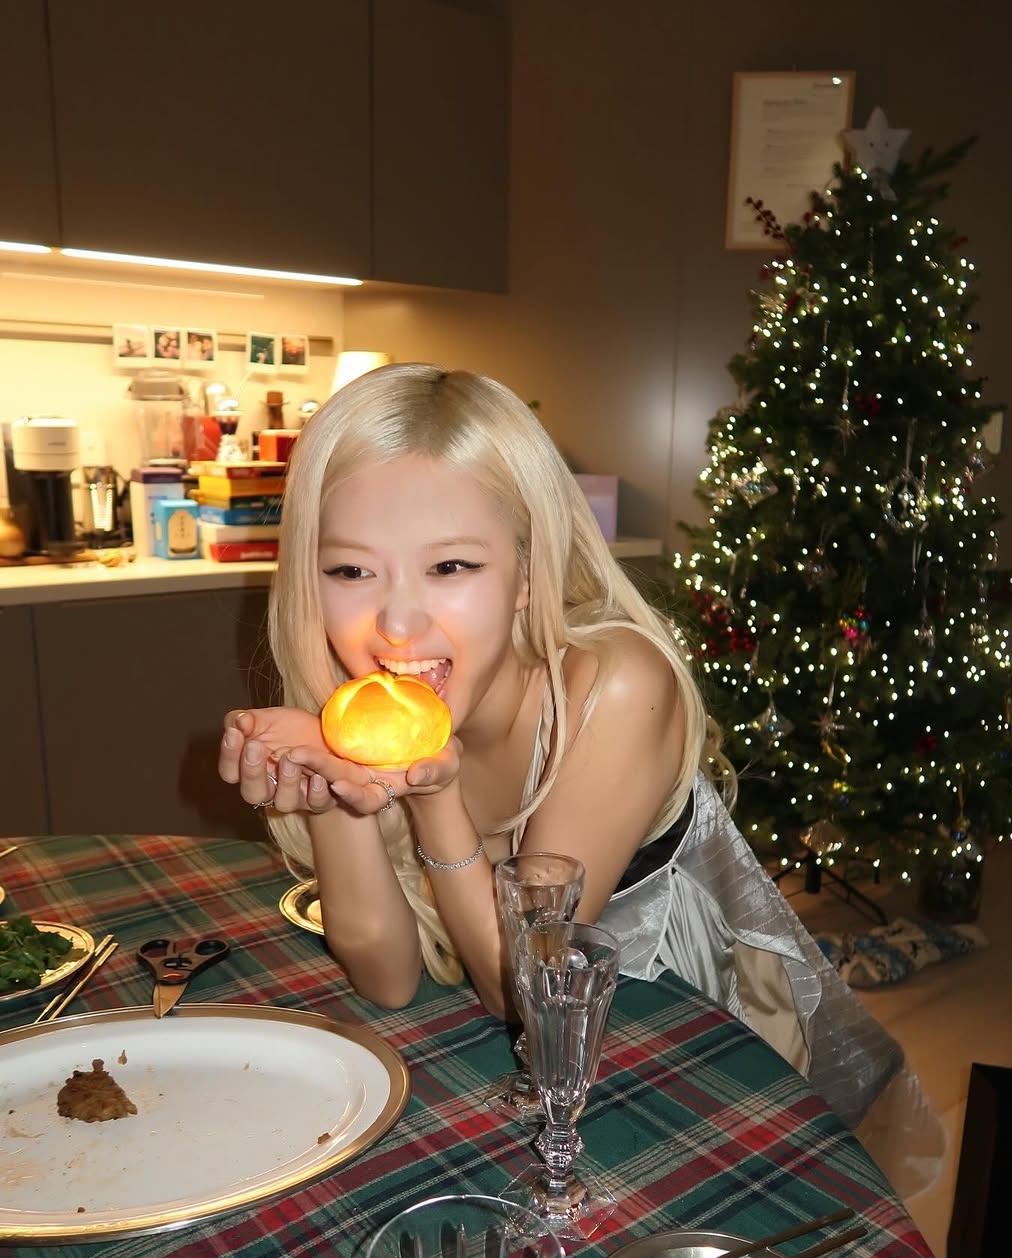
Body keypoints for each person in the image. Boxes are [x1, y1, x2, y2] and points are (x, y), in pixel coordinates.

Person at [219, 363, 941, 1191]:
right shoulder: (369, 709)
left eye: (451, 567)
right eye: (351, 572)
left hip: (688, 1039)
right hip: (537, 1074)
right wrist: (333, 790)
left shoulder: (617, 688)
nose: (397, 623)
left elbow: (520, 998)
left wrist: (435, 795)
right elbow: (386, 979)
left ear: (528, 575)